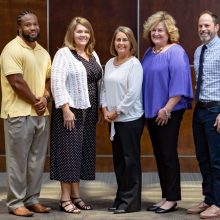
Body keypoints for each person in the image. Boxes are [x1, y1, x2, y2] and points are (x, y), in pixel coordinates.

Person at [0, 11, 51, 217]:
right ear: (19, 28)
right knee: (17, 161)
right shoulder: (11, 50)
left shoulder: (43, 52)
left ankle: (32, 199)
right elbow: (16, 81)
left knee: (36, 161)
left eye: (35, 24)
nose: (33, 28)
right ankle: (15, 203)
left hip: (41, 113)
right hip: (19, 114)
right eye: (28, 25)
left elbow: (49, 78)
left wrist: (45, 98)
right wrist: (35, 101)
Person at [142, 11, 193, 214]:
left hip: (168, 112)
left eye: (160, 30)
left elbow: (179, 84)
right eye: (153, 29)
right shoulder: (149, 53)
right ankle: (165, 196)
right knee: (160, 154)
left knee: (168, 154)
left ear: (169, 32)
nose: (156, 33)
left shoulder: (176, 51)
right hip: (152, 112)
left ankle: (172, 199)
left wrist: (167, 109)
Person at [50, 17, 102, 214]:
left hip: (88, 113)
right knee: (68, 154)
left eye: (86, 32)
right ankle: (64, 198)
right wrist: (65, 108)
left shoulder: (92, 54)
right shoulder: (64, 54)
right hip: (70, 112)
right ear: (72, 33)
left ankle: (76, 195)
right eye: (79, 31)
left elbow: (98, 82)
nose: (83, 35)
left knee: (81, 154)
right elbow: (57, 82)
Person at [101, 26, 144, 214]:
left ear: (131, 43)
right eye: (118, 39)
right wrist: (104, 110)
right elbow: (103, 88)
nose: (121, 43)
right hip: (113, 120)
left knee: (130, 161)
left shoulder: (134, 64)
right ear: (114, 43)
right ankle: (121, 199)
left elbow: (133, 93)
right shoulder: (110, 63)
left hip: (129, 119)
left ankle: (131, 202)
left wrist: (117, 112)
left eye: (125, 40)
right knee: (119, 161)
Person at [187, 11, 220, 219]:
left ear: (216, 27)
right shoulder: (198, 51)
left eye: (207, 25)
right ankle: (208, 198)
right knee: (203, 158)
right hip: (200, 110)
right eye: (200, 26)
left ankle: (218, 203)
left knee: (217, 160)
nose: (203, 29)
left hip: (216, 109)